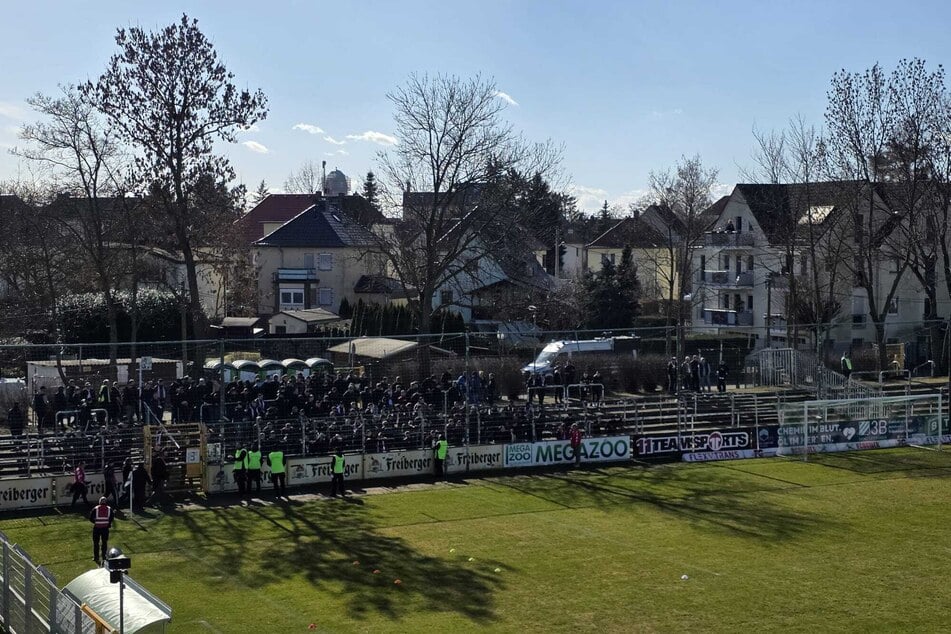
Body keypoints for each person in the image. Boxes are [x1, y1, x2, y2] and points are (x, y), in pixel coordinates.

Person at [89, 497, 114, 564]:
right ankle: (104, 556)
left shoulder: (95, 508)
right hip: (105, 529)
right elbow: (111, 518)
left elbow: (91, 518)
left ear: (100, 502)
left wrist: (96, 522)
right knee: (104, 543)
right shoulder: (109, 509)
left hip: (97, 528)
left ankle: (96, 557)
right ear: (106, 502)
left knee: (96, 543)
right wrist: (108, 524)